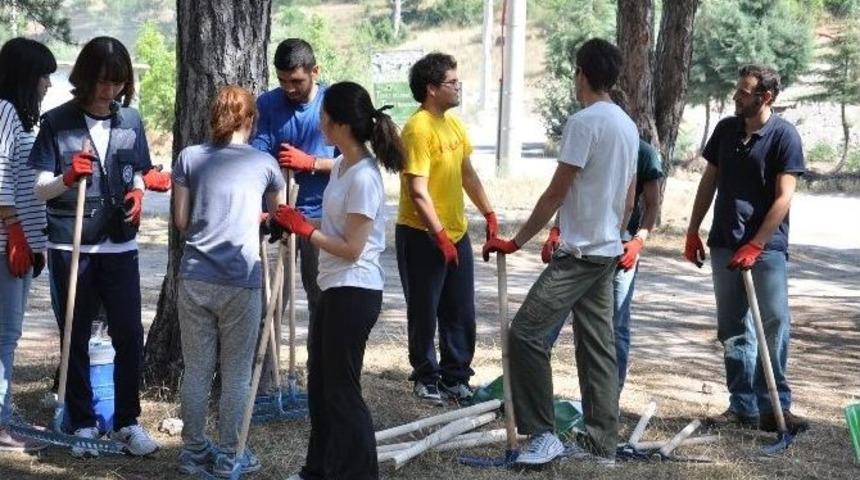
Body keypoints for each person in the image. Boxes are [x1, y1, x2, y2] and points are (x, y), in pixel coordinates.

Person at [483, 38, 637, 466]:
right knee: (598, 347)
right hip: (605, 250)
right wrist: (615, 232)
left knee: (527, 333)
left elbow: (556, 192)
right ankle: (602, 444)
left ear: (581, 74)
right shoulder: (626, 124)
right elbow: (627, 196)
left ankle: (542, 434)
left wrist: (516, 241)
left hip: (581, 255)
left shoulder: (584, 122)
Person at [28, 36, 158, 458]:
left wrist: (138, 193)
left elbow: (138, 172)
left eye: (118, 83)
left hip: (120, 247)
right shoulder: (57, 122)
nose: (110, 91)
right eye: (103, 82)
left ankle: (126, 422)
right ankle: (82, 422)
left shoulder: (131, 121)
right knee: (76, 334)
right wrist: (67, 178)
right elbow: (37, 189)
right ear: (85, 78)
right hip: (72, 245)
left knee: (128, 334)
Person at [271, 81, 404, 480]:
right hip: (334, 286)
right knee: (321, 386)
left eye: (325, 114)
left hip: (355, 289)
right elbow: (332, 225)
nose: (320, 120)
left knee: (342, 391)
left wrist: (306, 232)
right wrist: (292, 222)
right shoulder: (342, 164)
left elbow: (351, 247)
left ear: (340, 123)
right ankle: (319, 469)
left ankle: (361, 474)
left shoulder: (364, 176)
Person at [685, 64, 808, 434]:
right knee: (734, 328)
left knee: (774, 322)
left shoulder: (784, 136)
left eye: (744, 92)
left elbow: (784, 197)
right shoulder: (726, 129)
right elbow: (709, 182)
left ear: (765, 97)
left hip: (766, 249)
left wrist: (756, 244)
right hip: (724, 242)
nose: (737, 97)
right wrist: (693, 230)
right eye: (737, 90)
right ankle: (742, 406)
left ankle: (775, 406)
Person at [172, 85, 285, 477]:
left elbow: (181, 222)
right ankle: (229, 451)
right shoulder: (266, 164)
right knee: (236, 371)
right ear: (250, 120)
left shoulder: (189, 157)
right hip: (241, 277)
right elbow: (278, 218)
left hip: (195, 276)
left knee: (198, 368)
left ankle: (192, 449)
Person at [543, 89, 663, 394]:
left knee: (615, 323)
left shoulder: (642, 151)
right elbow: (573, 192)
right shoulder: (592, 137)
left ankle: (612, 394)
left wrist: (638, 241)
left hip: (620, 245)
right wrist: (557, 229)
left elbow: (651, 205)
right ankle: (530, 388)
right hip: (581, 243)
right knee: (551, 318)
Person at [396, 52, 498, 405]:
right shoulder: (417, 129)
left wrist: (489, 213)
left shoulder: (453, 125)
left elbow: (467, 173)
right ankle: (426, 377)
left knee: (460, 310)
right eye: (452, 83)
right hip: (421, 234)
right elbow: (417, 191)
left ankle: (456, 377)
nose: (458, 88)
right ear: (431, 89)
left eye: (458, 81)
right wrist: (437, 235)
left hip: (457, 232)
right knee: (425, 310)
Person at [251, 39, 334, 381]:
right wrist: (264, 206)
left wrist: (311, 163)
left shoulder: (334, 103)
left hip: (321, 217)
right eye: (283, 80)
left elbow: (354, 161)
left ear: (315, 71)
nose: (289, 88)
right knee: (269, 301)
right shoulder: (268, 104)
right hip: (279, 215)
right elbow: (255, 157)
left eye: (296, 81)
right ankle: (265, 378)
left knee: (322, 301)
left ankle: (319, 376)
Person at [0, 37, 55, 453]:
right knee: (4, 333)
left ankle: (3, 412)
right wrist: (15, 227)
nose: (47, 84)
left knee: (10, 332)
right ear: (24, 77)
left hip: (21, 241)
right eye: (43, 75)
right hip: (5, 242)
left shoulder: (20, 119)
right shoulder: (2, 112)